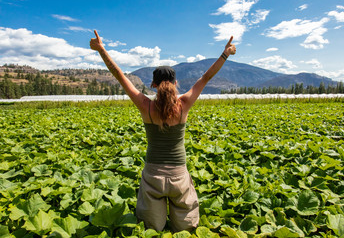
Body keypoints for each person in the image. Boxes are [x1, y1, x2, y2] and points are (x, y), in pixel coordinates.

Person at [90, 30, 236, 232]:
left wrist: (101, 50)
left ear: (153, 85)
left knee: (152, 228)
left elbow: (120, 76)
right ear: (176, 83)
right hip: (179, 176)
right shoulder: (184, 104)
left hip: (153, 177)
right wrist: (225, 54)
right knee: (185, 228)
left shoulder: (146, 106)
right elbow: (206, 77)